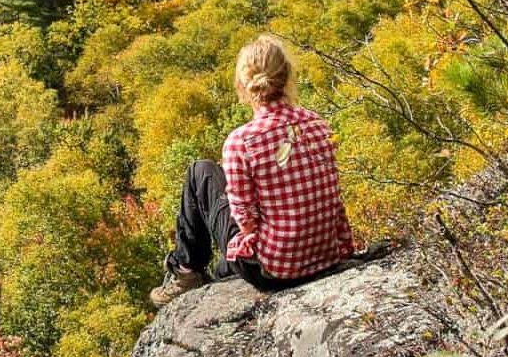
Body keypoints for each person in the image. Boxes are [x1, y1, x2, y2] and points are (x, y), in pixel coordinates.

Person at [150, 35, 355, 308]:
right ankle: (214, 272)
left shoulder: (241, 141)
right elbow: (333, 197)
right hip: (325, 256)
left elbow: (245, 221)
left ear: (243, 84)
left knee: (202, 171)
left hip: (275, 272)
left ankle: (186, 271)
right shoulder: (318, 124)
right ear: (287, 76)